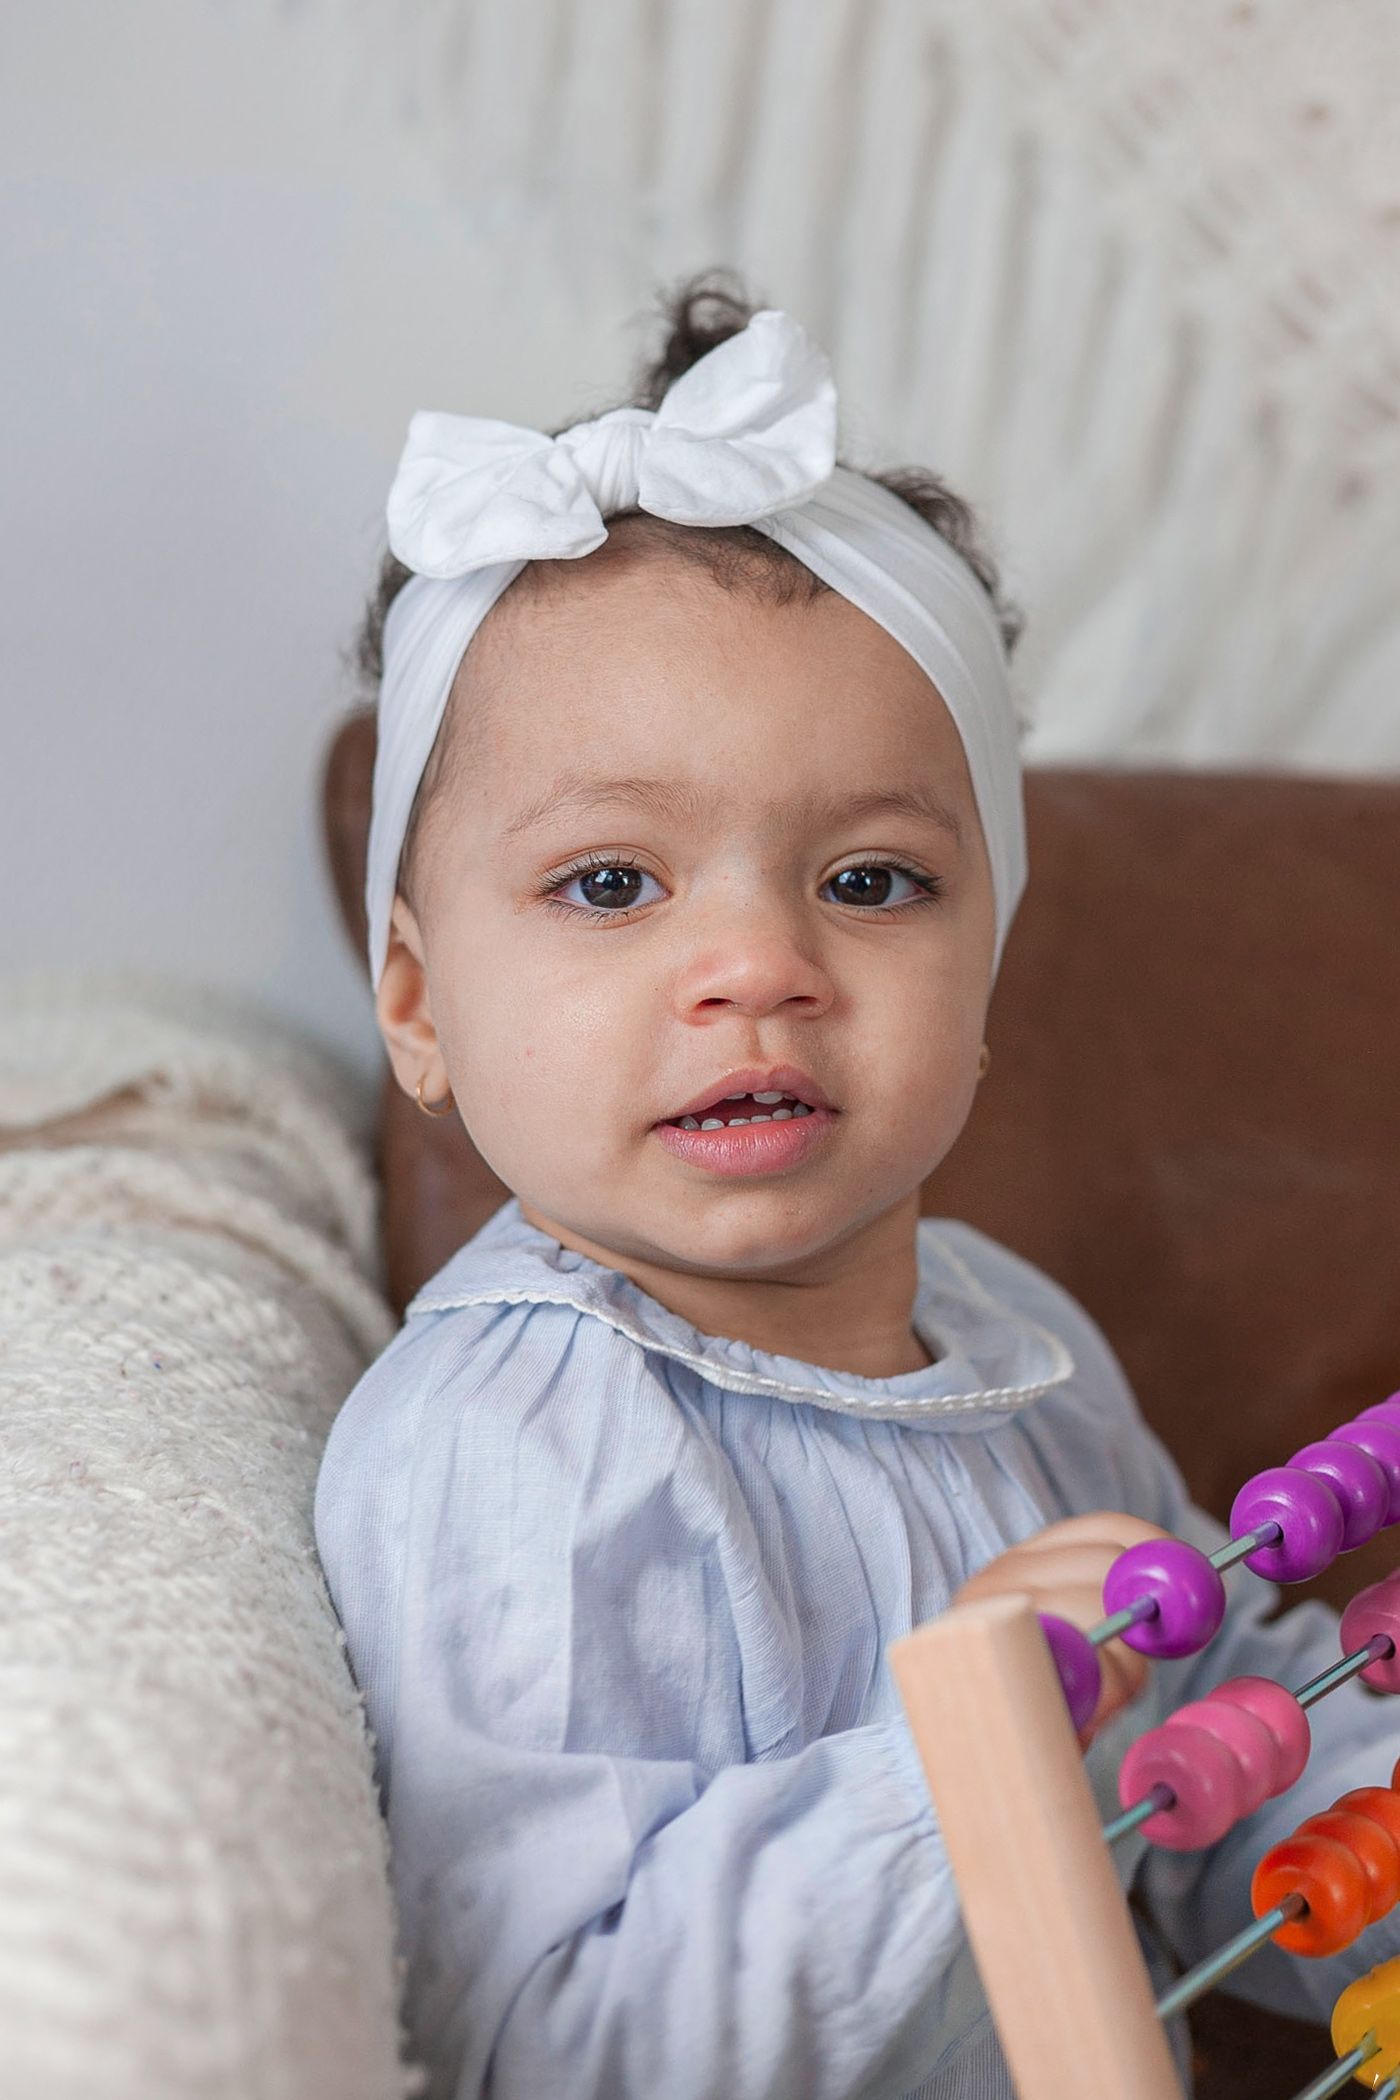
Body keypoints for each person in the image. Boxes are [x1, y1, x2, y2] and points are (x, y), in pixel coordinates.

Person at [314, 270, 1400, 2099]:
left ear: (991, 958)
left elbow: (1224, 1758)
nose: (757, 966)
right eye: (611, 884)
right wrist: (967, 1768)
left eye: (874, 884)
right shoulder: (510, 1452)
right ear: (417, 1002)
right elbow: (554, 2049)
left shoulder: (1016, 1340)